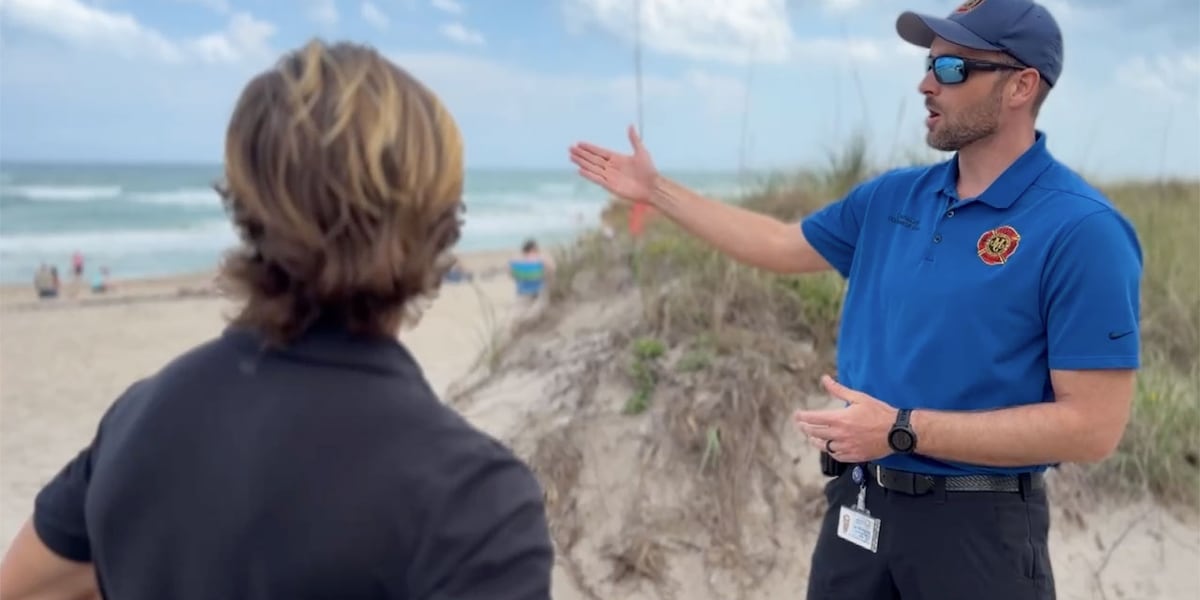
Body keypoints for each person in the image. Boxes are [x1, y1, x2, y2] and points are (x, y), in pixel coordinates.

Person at [567, 1, 1141, 599]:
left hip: (978, 531)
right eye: (928, 64)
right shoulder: (892, 198)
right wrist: (655, 191)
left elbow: (1091, 428)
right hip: (858, 508)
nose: (925, 83)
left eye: (952, 70)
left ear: (1021, 85)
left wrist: (901, 431)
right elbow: (777, 243)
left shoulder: (1082, 230)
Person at [0, 39, 554, 600]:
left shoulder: (136, 423)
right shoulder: (476, 505)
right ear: (440, 225)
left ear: (247, 203)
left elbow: (21, 588)